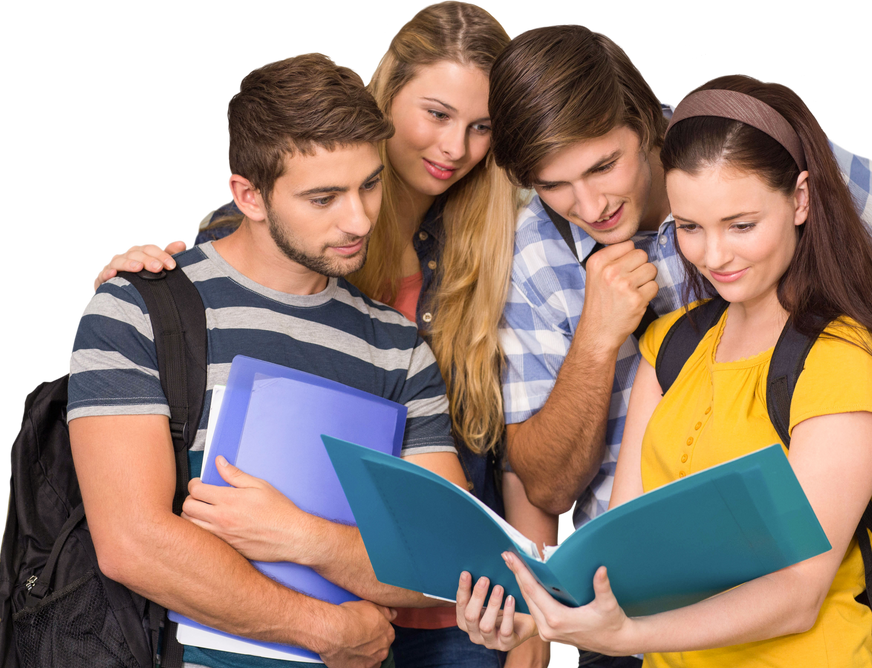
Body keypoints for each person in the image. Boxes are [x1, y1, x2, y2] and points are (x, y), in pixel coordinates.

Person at [456, 72, 872, 668]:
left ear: (801, 200)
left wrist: (622, 636)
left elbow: (797, 596)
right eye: (691, 228)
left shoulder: (846, 361)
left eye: (741, 225)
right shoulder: (669, 346)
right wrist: (529, 615)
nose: (714, 255)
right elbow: (618, 554)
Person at [87, 3, 556, 666]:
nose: (359, 219)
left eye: (370, 187)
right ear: (248, 197)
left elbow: (444, 551)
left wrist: (301, 537)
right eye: (325, 198)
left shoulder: (405, 336)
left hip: (431, 625)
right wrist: (318, 625)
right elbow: (133, 539)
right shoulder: (153, 305)